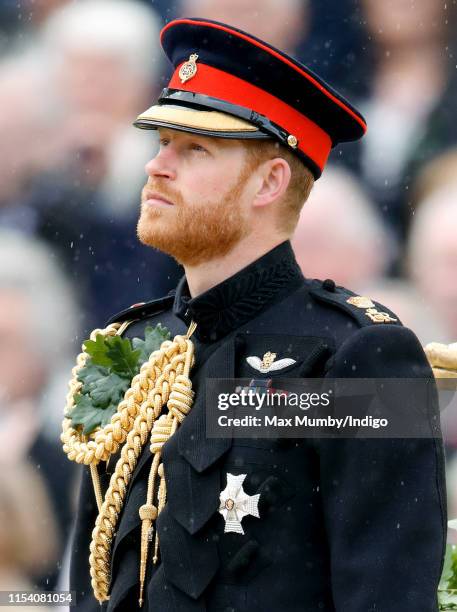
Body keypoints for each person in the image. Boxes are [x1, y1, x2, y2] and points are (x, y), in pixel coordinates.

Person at [67, 18, 446, 611]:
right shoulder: (131, 345)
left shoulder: (357, 354)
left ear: (270, 182)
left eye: (195, 149)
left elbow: (385, 592)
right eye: (162, 142)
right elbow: (91, 586)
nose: (156, 166)